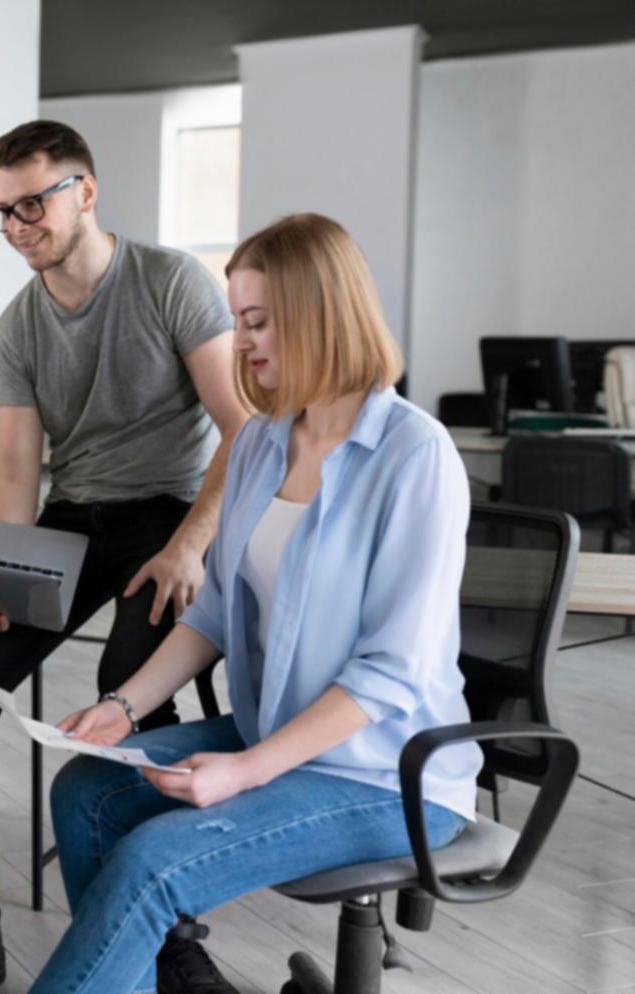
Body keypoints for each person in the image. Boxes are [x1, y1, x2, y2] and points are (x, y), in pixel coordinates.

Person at [30, 213, 482, 994]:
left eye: (257, 321)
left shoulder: (415, 455)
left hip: (386, 775)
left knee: (154, 862)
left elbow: (389, 673)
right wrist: (124, 707)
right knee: (87, 791)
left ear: (320, 312)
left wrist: (245, 771)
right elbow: (211, 614)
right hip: (275, 732)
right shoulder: (265, 441)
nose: (240, 342)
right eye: (238, 321)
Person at [0, 120, 249, 994]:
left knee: (132, 685)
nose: (16, 226)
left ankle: (171, 939)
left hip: (171, 512)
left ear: (84, 192)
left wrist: (190, 544)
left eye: (32, 204)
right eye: (2, 211)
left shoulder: (170, 281)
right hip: (71, 522)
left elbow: (243, 430)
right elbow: (17, 470)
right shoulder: (18, 326)